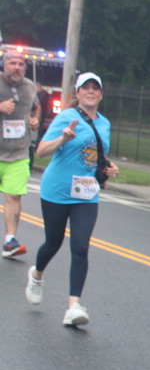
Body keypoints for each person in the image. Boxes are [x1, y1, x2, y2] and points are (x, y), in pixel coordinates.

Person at [27, 72, 119, 327]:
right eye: (85, 88)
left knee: (80, 246)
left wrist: (108, 169)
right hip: (57, 190)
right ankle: (36, 275)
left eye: (95, 88)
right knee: (53, 243)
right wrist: (63, 138)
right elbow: (41, 151)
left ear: (101, 94)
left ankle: (73, 306)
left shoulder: (105, 123)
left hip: (86, 194)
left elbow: (97, 156)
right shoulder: (66, 117)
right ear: (77, 93)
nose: (90, 91)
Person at [1, 49, 40, 258]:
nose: (17, 67)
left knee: (14, 196)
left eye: (21, 64)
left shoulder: (29, 86)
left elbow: (36, 107)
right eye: (13, 63)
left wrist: (35, 119)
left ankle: (10, 241)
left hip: (18, 153)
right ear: (4, 65)